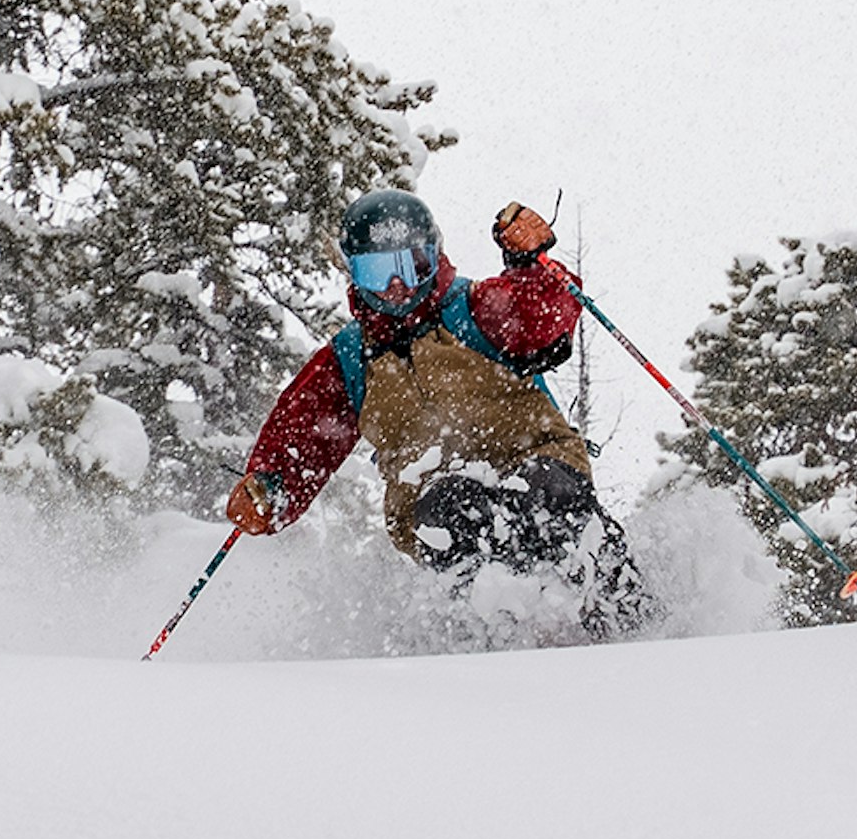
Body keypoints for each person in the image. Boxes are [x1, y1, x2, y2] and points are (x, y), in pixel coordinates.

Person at [226, 189, 613, 579]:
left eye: (411, 266)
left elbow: (542, 321)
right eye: (377, 273)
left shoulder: (473, 310)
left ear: (433, 255)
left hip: (536, 458)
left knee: (544, 495)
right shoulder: (353, 358)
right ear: (354, 275)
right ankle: (494, 619)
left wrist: (530, 264)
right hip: (432, 493)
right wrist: (272, 485)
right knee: (450, 511)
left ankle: (619, 604)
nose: (397, 285)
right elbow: (304, 434)